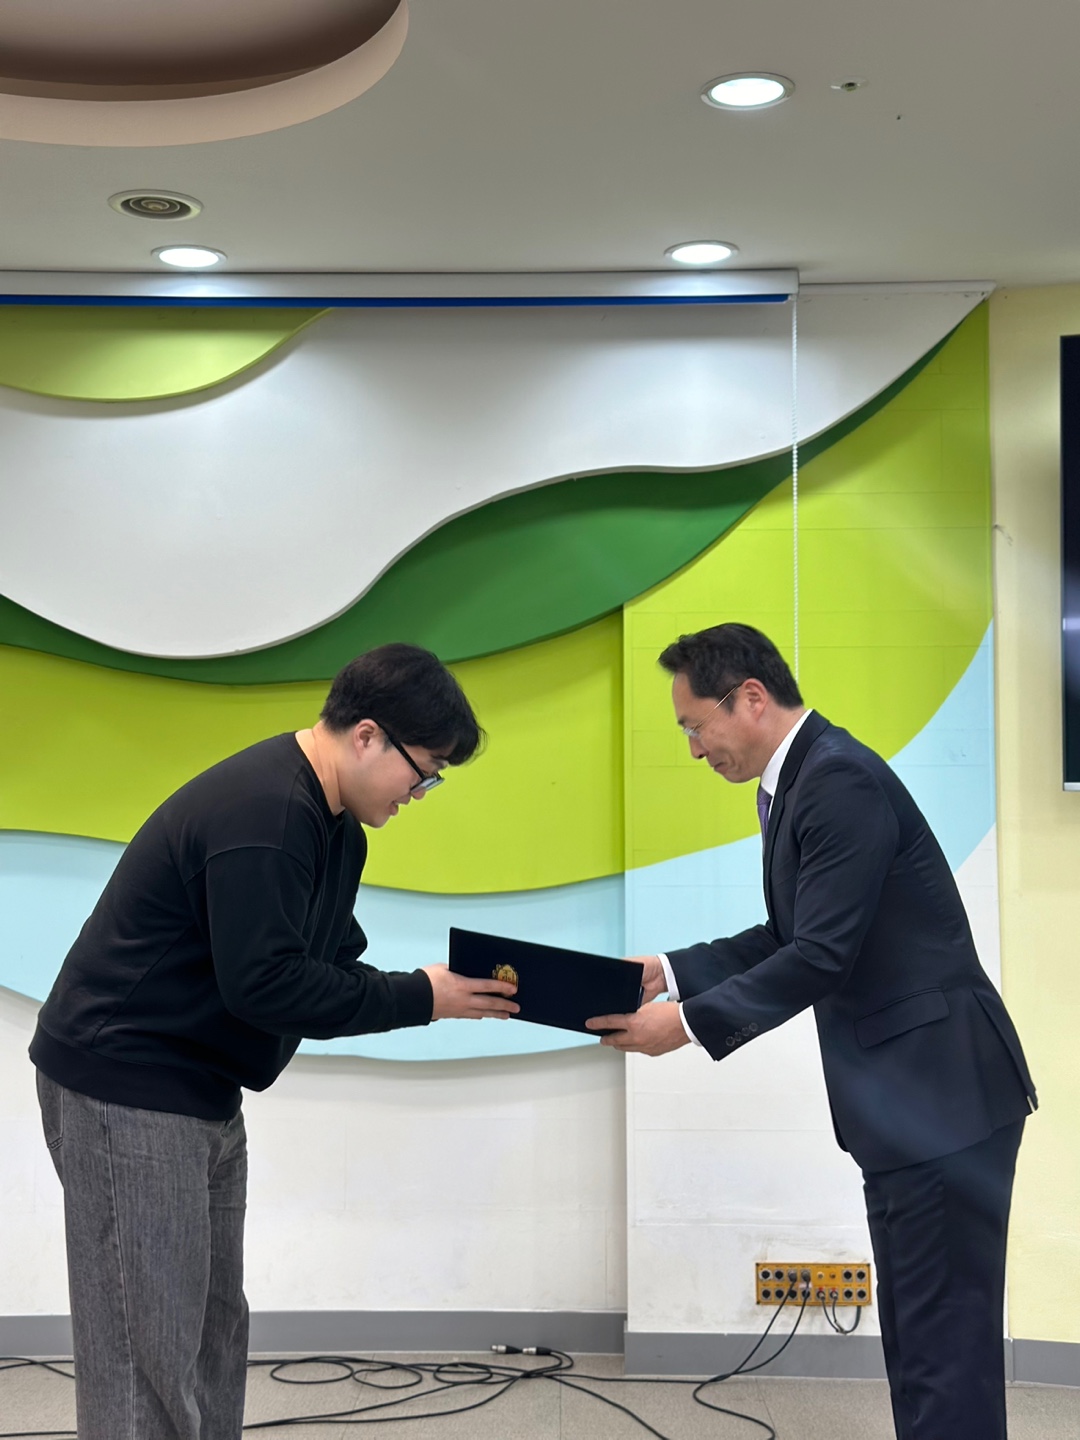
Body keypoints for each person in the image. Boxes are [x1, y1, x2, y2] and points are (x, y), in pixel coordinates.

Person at [29, 643, 519, 1440]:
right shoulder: (267, 813)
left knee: (211, 1327)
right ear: (367, 736)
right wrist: (422, 997)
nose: (419, 793)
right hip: (125, 1084)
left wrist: (453, 987)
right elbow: (265, 985)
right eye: (422, 772)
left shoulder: (337, 829)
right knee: (146, 1347)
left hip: (202, 1089)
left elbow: (327, 957)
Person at [587, 622, 1035, 1440]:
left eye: (695, 726)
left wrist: (683, 1025)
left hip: (945, 1098)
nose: (694, 748)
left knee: (943, 1349)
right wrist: (668, 972)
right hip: (908, 1108)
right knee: (921, 1342)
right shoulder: (794, 783)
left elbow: (820, 956)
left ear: (751, 698)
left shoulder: (837, 780)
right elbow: (789, 936)